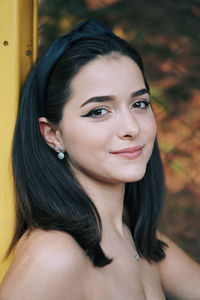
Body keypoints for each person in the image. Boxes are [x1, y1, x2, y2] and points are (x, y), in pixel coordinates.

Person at [0, 19, 199, 300]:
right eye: (98, 111)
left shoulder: (140, 244)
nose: (131, 128)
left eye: (139, 104)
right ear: (54, 134)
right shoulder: (54, 254)